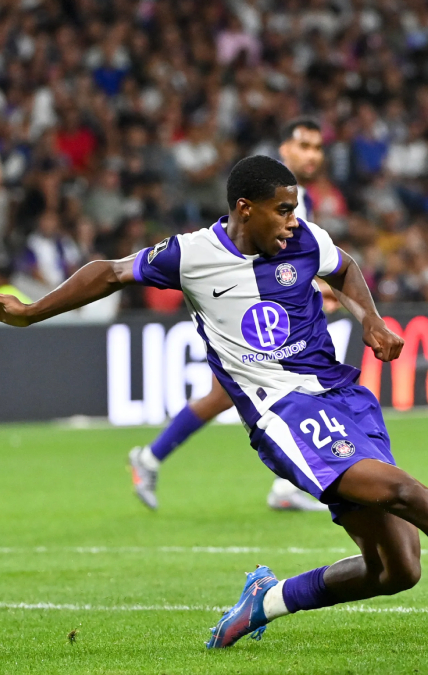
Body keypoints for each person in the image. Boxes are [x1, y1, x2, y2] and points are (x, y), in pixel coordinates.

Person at [0, 155, 428, 648]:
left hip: (343, 398)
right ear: (243, 207)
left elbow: (347, 267)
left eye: (295, 208)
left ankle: (267, 600)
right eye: (281, 208)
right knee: (410, 494)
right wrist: (27, 312)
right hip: (283, 415)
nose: (293, 220)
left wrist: (366, 316)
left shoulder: (303, 239)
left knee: (399, 569)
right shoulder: (189, 256)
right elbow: (107, 272)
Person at [128, 117, 328, 512]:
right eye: (303, 145)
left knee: (237, 393)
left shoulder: (294, 194)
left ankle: (151, 458)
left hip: (263, 308)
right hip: (241, 306)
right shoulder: (268, 189)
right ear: (284, 147)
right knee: (287, 383)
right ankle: (150, 458)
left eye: (318, 148)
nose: (312, 155)